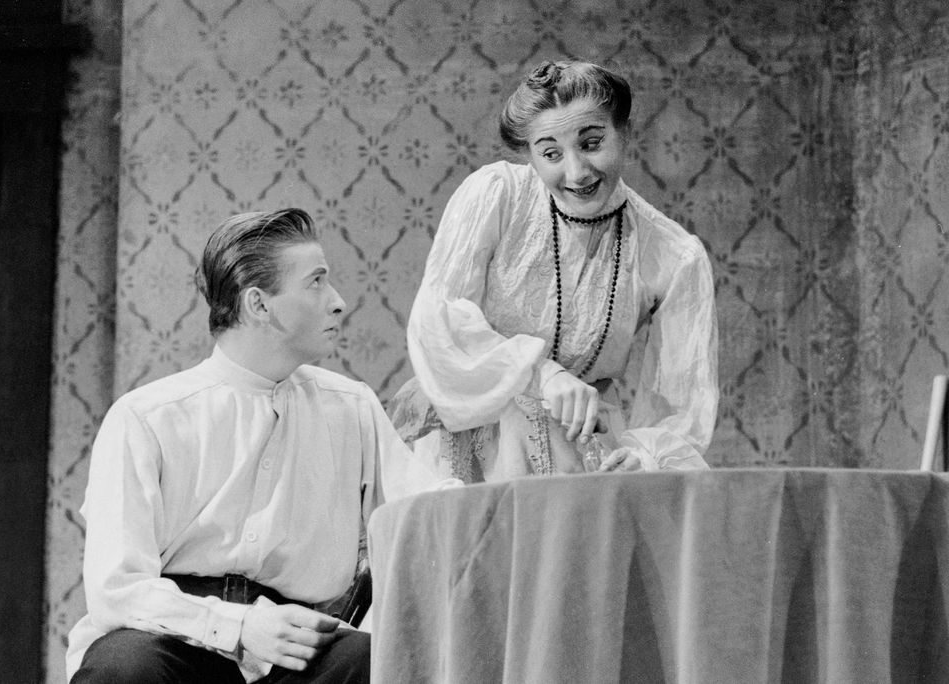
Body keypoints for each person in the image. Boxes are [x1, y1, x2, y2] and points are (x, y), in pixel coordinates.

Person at [66, 208, 457, 683]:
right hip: (174, 643)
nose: (338, 302)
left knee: (373, 663)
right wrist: (240, 625)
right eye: (316, 282)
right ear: (259, 304)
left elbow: (428, 515)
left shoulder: (350, 407)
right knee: (125, 669)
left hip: (299, 654)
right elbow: (116, 590)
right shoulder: (146, 418)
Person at [391, 60, 718, 482]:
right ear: (529, 154)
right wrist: (542, 374)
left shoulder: (674, 254)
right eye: (550, 153)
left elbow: (683, 404)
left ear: (626, 133)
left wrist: (644, 457)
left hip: (579, 451)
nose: (577, 172)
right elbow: (439, 318)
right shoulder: (496, 195)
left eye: (592, 142)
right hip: (471, 441)